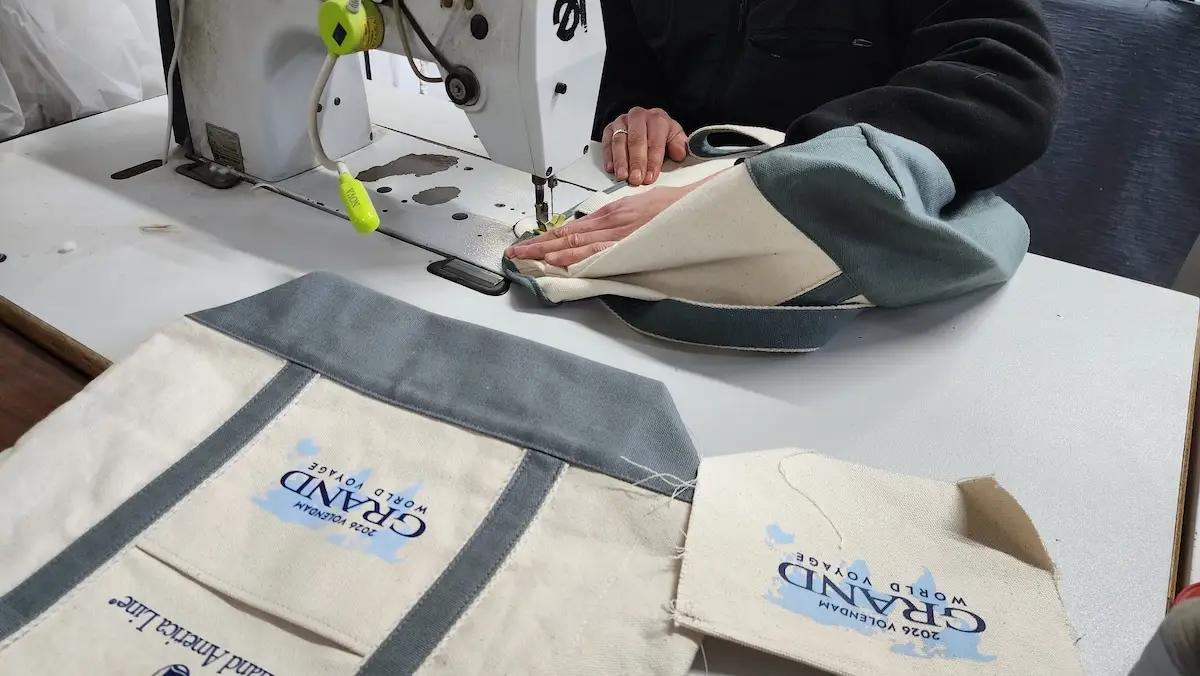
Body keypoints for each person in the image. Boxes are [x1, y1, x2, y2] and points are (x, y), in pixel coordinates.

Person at [506, 0, 1063, 268]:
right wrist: (630, 108)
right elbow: (606, 45)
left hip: (842, 240)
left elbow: (1009, 82)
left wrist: (775, 175)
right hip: (668, 202)